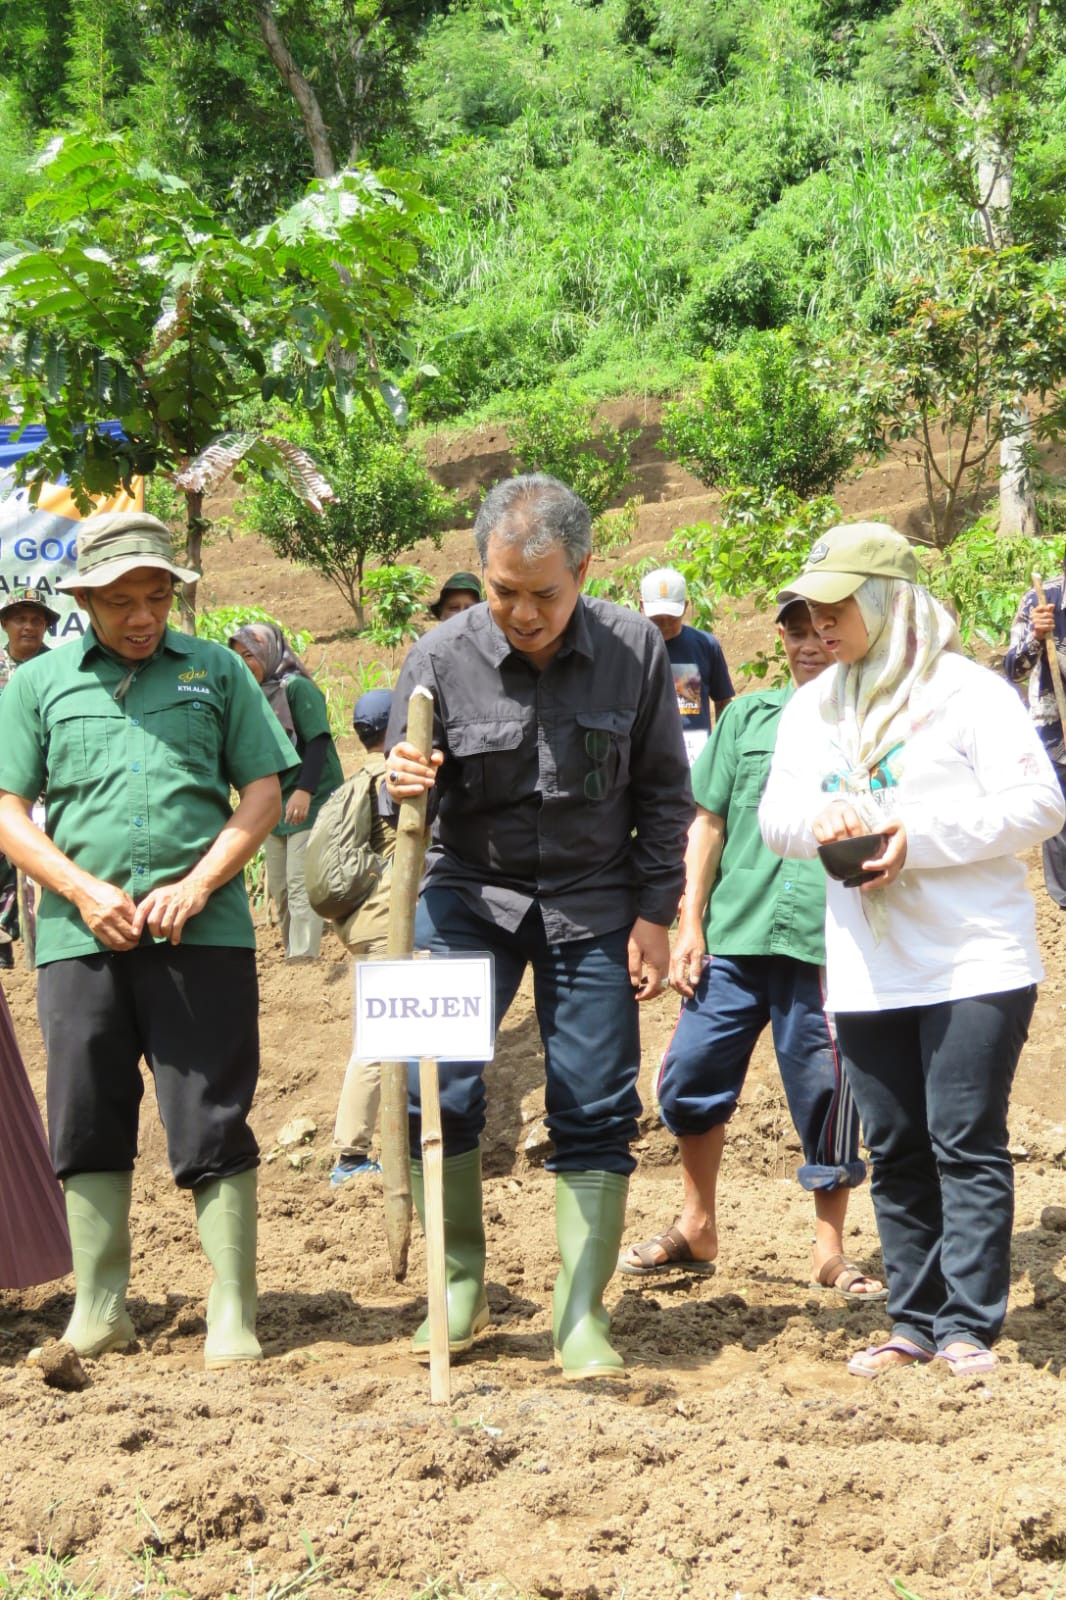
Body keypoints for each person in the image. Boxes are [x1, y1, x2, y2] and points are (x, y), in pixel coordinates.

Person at [385, 473, 693, 1379]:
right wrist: (396, 785)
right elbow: (398, 812)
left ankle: (579, 1315)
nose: (521, 613)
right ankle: (458, 1287)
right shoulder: (438, 658)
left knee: (595, 1103)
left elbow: (665, 798)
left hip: (594, 904)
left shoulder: (635, 650)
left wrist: (652, 914)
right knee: (431, 1089)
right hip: (465, 899)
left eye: (543, 594)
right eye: (502, 591)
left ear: (585, 570)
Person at [759, 522, 1065, 1379]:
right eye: (811, 613)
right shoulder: (814, 706)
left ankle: (969, 1323)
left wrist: (913, 836)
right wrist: (820, 821)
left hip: (976, 956)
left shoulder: (966, 693)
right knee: (894, 1146)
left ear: (890, 599)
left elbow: (1040, 804)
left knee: (963, 1137)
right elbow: (775, 817)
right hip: (867, 963)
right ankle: (914, 1321)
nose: (820, 630)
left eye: (837, 609)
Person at [0, 512, 299, 1368]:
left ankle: (232, 1304)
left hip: (202, 937)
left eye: (157, 597)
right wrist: (83, 889)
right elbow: (8, 810)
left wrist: (199, 884)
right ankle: (100, 1307)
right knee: (87, 1114)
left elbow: (263, 793)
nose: (142, 617)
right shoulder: (37, 685)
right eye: (122, 600)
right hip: (75, 935)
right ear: (85, 599)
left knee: (211, 1109)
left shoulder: (216, 673)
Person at [620, 599, 883, 1299]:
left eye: (824, 630)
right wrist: (691, 923)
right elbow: (705, 824)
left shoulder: (872, 723)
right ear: (782, 639)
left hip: (827, 946)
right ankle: (697, 1224)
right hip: (736, 934)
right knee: (690, 1074)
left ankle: (830, 1249)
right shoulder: (746, 718)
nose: (810, 644)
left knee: (827, 1094)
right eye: (797, 631)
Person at [229, 624, 343, 963]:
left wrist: (304, 791)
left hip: (310, 795)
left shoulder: (296, 689)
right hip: (275, 804)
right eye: (237, 656)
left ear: (269, 653)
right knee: (278, 887)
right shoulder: (251, 696)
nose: (243, 663)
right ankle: (294, 956)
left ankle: (303, 957)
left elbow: (319, 741)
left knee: (298, 883)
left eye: (249, 654)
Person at [328, 688, 397, 1184]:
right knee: (381, 1037)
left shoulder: (354, 781)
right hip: (389, 922)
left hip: (362, 922)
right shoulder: (394, 782)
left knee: (384, 1035)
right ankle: (351, 1156)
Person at [0, 587, 58, 969]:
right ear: (5, 625)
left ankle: (46, 943)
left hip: (45, 786)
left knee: (43, 861)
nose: (29, 627)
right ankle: (2, 938)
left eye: (37, 620)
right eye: (21, 618)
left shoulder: (59, 668)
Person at [1004, 561, 1066, 907]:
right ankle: (1064, 901)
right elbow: (1014, 668)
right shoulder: (1039, 602)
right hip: (1056, 730)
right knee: (1059, 818)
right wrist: (1036, 637)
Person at [639, 567, 734, 765]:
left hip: (695, 762)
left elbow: (723, 701)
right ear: (641, 607)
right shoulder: (630, 648)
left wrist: (722, 750)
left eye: (672, 618)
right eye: (657, 619)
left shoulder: (706, 645)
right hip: (646, 761)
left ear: (685, 607)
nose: (664, 625)